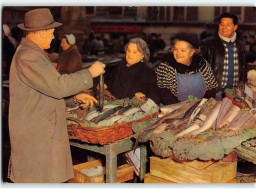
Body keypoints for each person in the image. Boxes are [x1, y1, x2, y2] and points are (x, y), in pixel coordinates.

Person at [8, 8, 105, 183]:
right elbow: (58, 86)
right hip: (35, 136)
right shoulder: (29, 56)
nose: (53, 37)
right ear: (39, 32)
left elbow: (46, 91)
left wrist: (73, 98)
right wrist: (89, 73)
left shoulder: (34, 54)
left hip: (40, 131)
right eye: (51, 33)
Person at [155, 32, 218, 105]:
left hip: (200, 106)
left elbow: (211, 88)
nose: (178, 53)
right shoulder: (166, 65)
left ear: (192, 52)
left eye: (183, 50)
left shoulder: (202, 63)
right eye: (175, 49)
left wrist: (203, 105)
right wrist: (182, 108)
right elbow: (164, 92)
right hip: (174, 107)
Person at [200, 12, 247, 98]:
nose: (224, 27)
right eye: (222, 24)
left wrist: (242, 88)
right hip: (215, 93)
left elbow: (243, 68)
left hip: (234, 92)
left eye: (228, 24)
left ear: (235, 27)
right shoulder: (208, 44)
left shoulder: (240, 45)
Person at [105, 37, 161, 104]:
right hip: (113, 106)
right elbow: (109, 85)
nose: (130, 54)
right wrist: (105, 85)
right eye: (128, 51)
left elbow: (155, 98)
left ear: (142, 55)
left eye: (135, 52)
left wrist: (144, 98)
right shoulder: (118, 68)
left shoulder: (148, 73)